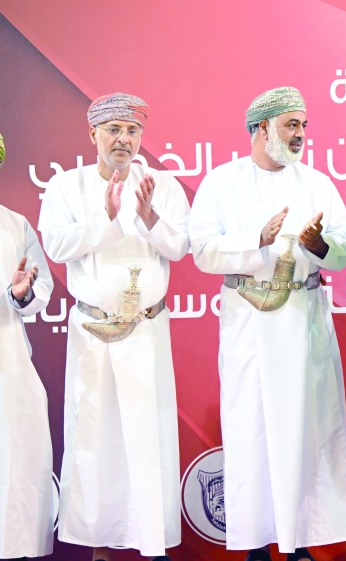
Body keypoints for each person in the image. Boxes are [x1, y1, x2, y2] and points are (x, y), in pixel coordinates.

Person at [188, 86, 346, 561]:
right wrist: (254, 239)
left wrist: (319, 245)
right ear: (261, 128)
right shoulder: (221, 182)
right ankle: (257, 544)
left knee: (308, 428)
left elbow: (343, 250)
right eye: (291, 125)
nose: (300, 134)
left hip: (305, 320)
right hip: (250, 321)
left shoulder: (317, 183)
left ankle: (300, 542)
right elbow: (200, 249)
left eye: (303, 125)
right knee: (252, 428)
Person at [37, 93, 190, 561]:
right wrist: (105, 216)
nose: (124, 140)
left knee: (148, 438)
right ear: (93, 135)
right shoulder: (66, 187)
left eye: (132, 131)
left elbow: (181, 246)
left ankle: (152, 545)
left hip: (145, 332)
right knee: (94, 440)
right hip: (92, 334)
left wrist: (147, 217)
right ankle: (97, 549)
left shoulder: (161, 185)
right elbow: (58, 247)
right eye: (114, 130)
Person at [0, 130, 57, 559]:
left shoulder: (14, 224)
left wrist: (20, 294)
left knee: (13, 470)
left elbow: (40, 290)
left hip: (9, 366)